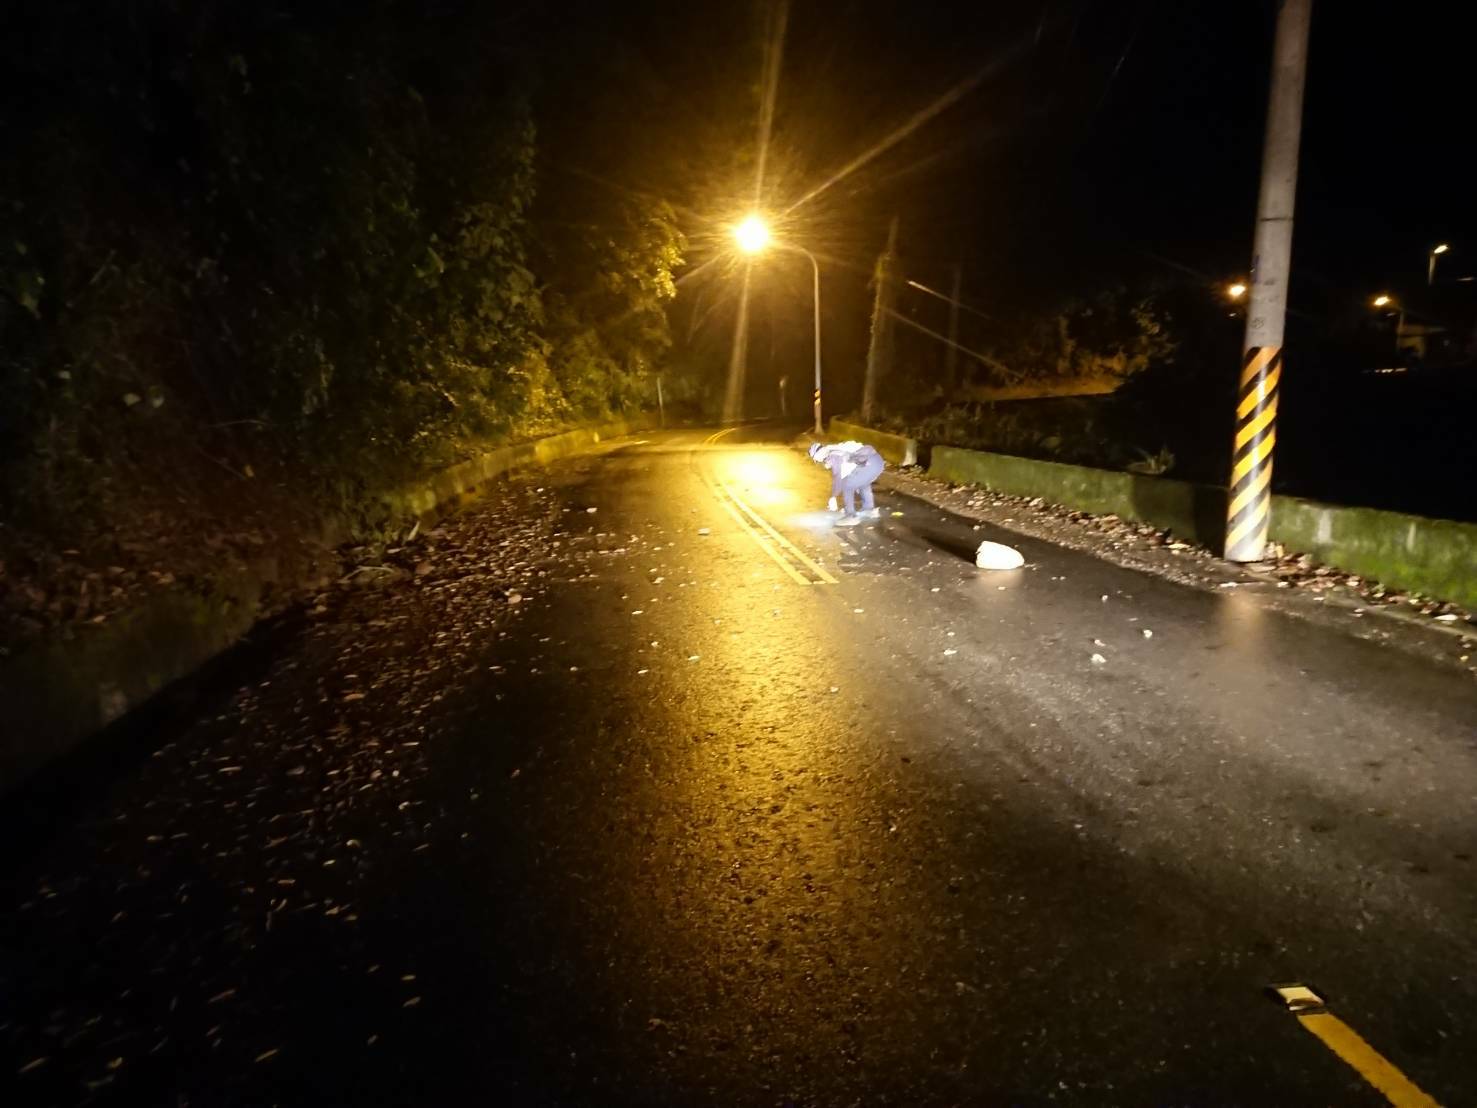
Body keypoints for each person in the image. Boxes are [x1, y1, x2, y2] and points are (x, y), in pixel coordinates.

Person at [808, 440, 884, 526]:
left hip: (868, 463)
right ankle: (869, 510)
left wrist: (833, 496)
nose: (818, 461)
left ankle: (851, 516)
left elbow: (838, 477)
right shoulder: (834, 448)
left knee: (847, 485)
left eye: (816, 459)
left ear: (817, 455)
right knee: (863, 483)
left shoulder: (832, 456)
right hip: (878, 461)